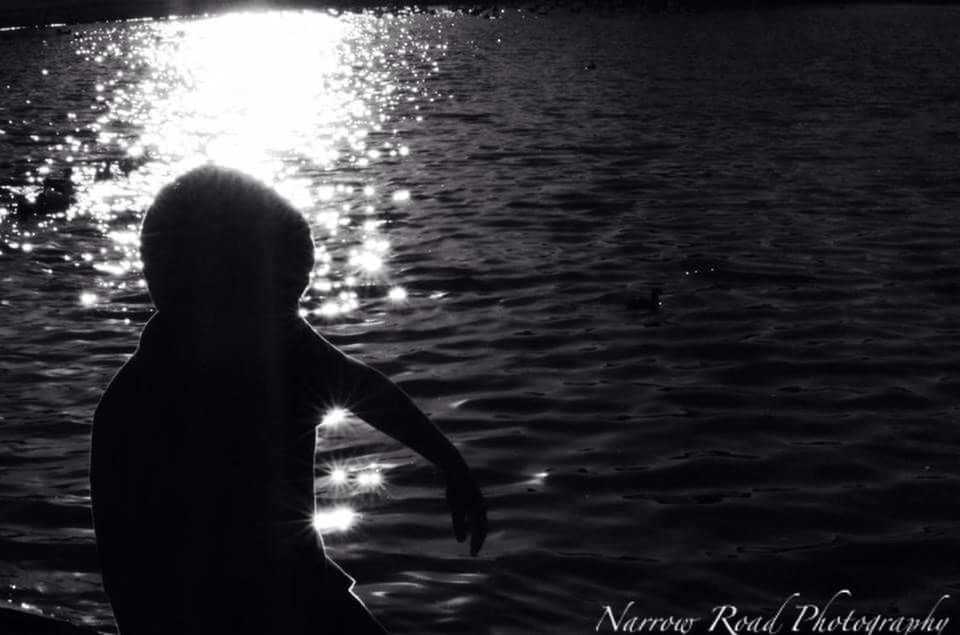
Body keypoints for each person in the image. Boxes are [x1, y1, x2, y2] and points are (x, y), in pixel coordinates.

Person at [89, 165, 488, 635]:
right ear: (206, 295)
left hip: (303, 590)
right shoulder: (133, 409)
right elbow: (123, 562)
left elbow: (368, 390)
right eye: (277, 302)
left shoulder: (288, 352)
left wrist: (450, 463)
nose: (294, 319)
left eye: (296, 300)